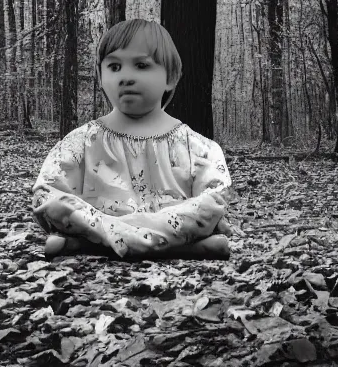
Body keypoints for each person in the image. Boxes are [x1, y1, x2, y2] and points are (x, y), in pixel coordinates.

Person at [32, 19, 235, 260]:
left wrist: (122, 226)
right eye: (115, 67)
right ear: (100, 76)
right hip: (130, 231)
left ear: (170, 76)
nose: (126, 76)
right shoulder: (81, 142)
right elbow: (48, 193)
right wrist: (108, 223)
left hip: (100, 236)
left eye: (140, 65)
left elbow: (214, 197)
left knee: (208, 208)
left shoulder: (197, 148)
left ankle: (95, 245)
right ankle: (181, 248)